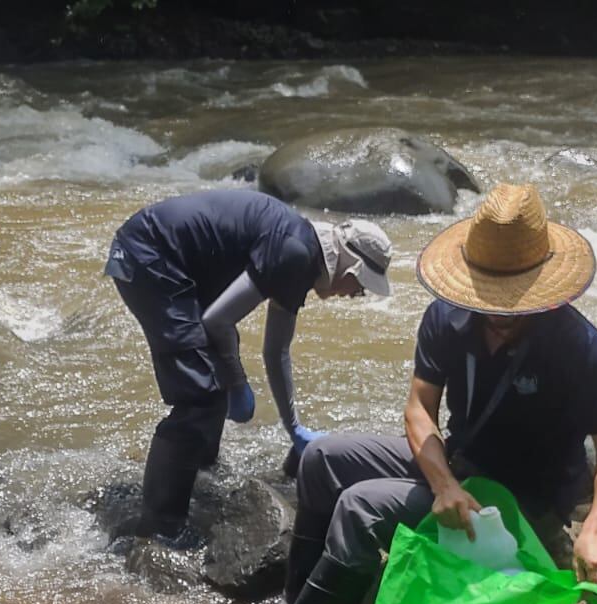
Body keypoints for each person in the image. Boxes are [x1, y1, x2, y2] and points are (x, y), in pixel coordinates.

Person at [211, 183, 597, 604]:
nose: (497, 313)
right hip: (460, 462)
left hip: (522, 500)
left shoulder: (577, 344)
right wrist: (443, 483)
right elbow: (419, 407)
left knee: (360, 507)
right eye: (488, 295)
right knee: (320, 458)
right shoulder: (448, 317)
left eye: (511, 300)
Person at [106, 188, 393, 547]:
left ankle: (200, 473)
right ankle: (160, 529)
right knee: (201, 396)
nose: (355, 295)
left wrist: (294, 427)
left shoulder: (301, 252)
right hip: (149, 254)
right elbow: (216, 321)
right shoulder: (295, 253)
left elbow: (277, 351)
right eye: (361, 287)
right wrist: (237, 382)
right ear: (350, 266)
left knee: (212, 371)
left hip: (166, 256)